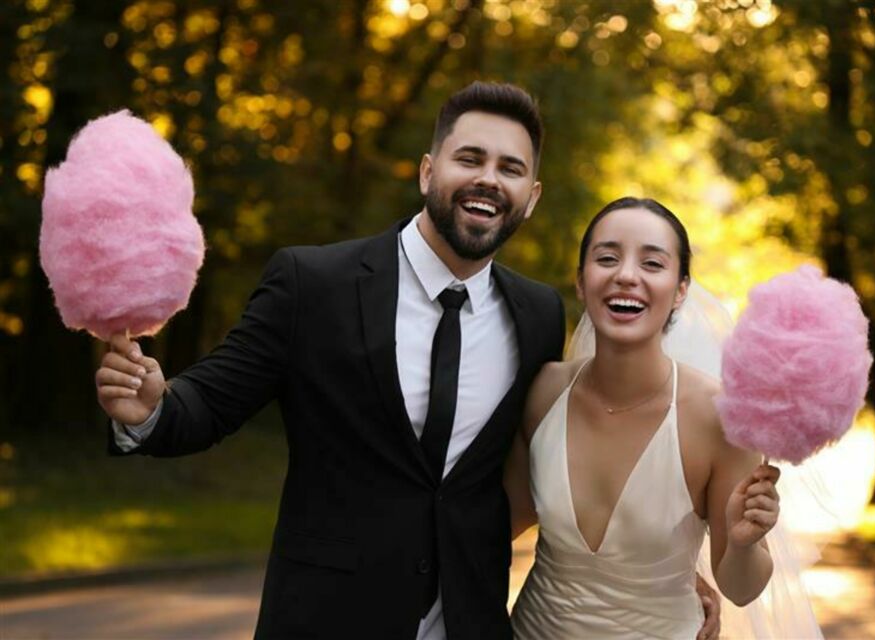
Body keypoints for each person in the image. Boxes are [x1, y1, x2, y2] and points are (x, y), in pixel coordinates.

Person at [95, 83, 720, 639]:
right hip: (325, 620)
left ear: (530, 197)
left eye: (509, 168)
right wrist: (152, 409)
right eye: (469, 158)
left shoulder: (536, 315)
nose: (488, 179)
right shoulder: (313, 283)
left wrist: (652, 568)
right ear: (428, 171)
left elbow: (552, 467)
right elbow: (211, 402)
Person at [506, 197, 782, 639]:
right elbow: (495, 524)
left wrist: (744, 544)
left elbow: (741, 588)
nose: (626, 275)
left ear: (681, 289)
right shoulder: (544, 391)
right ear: (581, 281)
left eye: (652, 263)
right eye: (607, 258)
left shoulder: (721, 420)